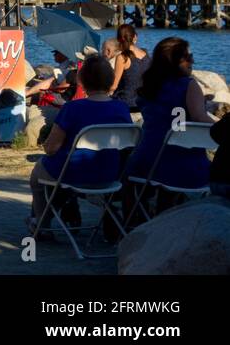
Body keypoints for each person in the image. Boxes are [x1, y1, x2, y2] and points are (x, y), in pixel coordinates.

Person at [27, 55, 132, 229]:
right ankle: (63, 210)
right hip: (109, 173)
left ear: (81, 80)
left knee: (40, 173)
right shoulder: (121, 108)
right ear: (111, 79)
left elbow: (51, 149)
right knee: (59, 174)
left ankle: (42, 223)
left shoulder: (72, 108)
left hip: (74, 173)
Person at [125, 37, 212, 200]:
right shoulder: (188, 84)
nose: (192, 60)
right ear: (175, 61)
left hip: (146, 164)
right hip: (185, 166)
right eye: (188, 56)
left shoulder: (149, 87)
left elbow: (162, 116)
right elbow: (200, 118)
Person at [111, 24, 149, 112]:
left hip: (125, 104)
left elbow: (113, 86)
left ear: (118, 39)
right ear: (135, 37)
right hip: (143, 103)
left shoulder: (122, 57)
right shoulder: (146, 54)